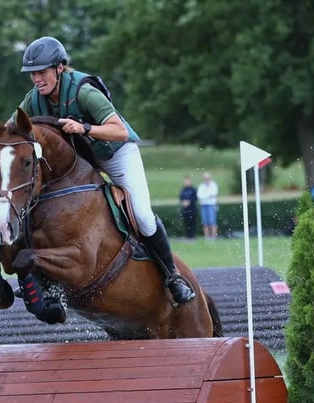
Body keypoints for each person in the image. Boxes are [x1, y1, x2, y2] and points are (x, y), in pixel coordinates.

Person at [12, 36, 195, 305]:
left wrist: (85, 128)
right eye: (32, 74)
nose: (37, 79)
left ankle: (173, 276)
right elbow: (12, 129)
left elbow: (119, 131)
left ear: (60, 68)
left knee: (143, 216)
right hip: (82, 163)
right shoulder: (33, 100)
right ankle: (45, 277)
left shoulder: (84, 92)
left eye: (42, 72)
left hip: (116, 154)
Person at [197, 171, 219, 239]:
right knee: (205, 222)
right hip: (203, 205)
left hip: (211, 205)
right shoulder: (201, 186)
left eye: (207, 178)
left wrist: (205, 196)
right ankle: (207, 237)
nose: (206, 179)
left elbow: (214, 194)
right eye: (205, 178)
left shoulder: (213, 185)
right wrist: (208, 196)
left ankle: (213, 237)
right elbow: (199, 196)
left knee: (212, 222)